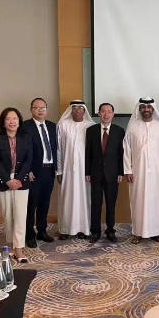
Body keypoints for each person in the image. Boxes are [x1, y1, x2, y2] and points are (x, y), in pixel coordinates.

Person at [123, 97, 159, 244]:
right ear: (139, 109)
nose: (146, 109)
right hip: (137, 173)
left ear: (153, 109)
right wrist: (128, 170)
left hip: (157, 173)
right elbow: (126, 150)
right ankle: (137, 232)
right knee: (138, 201)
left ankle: (157, 232)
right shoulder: (132, 127)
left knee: (156, 202)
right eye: (143, 107)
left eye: (149, 107)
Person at [0, 107, 33, 262]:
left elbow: (29, 160)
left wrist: (19, 179)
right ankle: (11, 245)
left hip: (21, 181)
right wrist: (7, 180)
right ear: (3, 122)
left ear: (19, 121)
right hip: (4, 181)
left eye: (15, 118)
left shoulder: (25, 137)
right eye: (8, 119)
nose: (12, 121)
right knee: (8, 216)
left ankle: (19, 248)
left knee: (20, 215)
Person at [85, 102, 124, 243]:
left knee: (111, 204)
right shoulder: (91, 130)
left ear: (113, 114)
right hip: (95, 173)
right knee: (95, 204)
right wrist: (87, 171)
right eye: (103, 111)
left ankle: (110, 231)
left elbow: (122, 154)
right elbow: (88, 152)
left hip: (113, 174)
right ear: (99, 113)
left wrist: (120, 172)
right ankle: (95, 231)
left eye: (109, 112)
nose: (106, 114)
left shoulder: (119, 131)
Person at [22, 97, 59, 247]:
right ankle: (29, 233)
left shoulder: (52, 126)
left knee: (45, 202)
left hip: (49, 170)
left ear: (46, 110)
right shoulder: (25, 126)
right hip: (34, 171)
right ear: (31, 110)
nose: (40, 110)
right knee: (32, 203)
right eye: (36, 108)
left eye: (43, 108)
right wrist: (27, 169)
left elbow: (56, 148)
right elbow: (22, 150)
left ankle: (42, 231)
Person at [56, 100, 94, 240]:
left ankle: (83, 228)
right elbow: (58, 149)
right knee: (67, 198)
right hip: (67, 170)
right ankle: (65, 229)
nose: (78, 110)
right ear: (71, 110)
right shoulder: (63, 125)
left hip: (85, 171)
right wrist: (59, 170)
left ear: (84, 110)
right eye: (75, 108)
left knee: (84, 198)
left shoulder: (91, 126)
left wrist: (92, 171)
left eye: (80, 108)